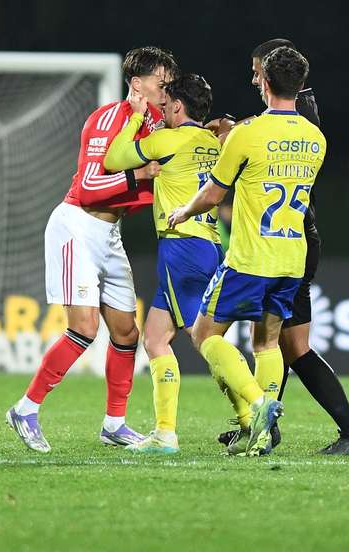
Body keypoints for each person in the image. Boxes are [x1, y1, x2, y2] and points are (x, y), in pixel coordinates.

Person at [6, 47, 177, 453]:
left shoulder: (156, 122)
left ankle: (114, 423)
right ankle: (25, 409)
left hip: (109, 234)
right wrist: (140, 175)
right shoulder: (108, 119)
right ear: (137, 84)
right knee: (84, 328)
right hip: (77, 227)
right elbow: (88, 189)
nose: (167, 91)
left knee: (126, 332)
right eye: (161, 83)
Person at [212, 39, 349, 455]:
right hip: (292, 241)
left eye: (256, 70)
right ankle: (267, 424)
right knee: (279, 341)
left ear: (271, 71)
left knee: (284, 344)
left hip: (288, 241)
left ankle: (346, 432)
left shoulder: (300, 112)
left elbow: (271, 132)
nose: (253, 78)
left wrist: (235, 132)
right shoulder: (299, 115)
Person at [168, 45, 324, 456]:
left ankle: (257, 406)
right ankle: (261, 437)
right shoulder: (316, 138)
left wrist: (183, 210)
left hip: (251, 257)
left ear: (266, 83)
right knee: (267, 343)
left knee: (203, 334)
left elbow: (213, 194)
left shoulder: (246, 134)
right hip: (292, 258)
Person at [103, 73, 221, 454]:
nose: (162, 110)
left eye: (167, 105)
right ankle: (165, 433)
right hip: (208, 243)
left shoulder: (166, 140)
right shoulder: (212, 140)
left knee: (202, 336)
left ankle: (255, 407)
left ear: (178, 107)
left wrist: (137, 119)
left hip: (181, 245)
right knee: (154, 338)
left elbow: (114, 159)